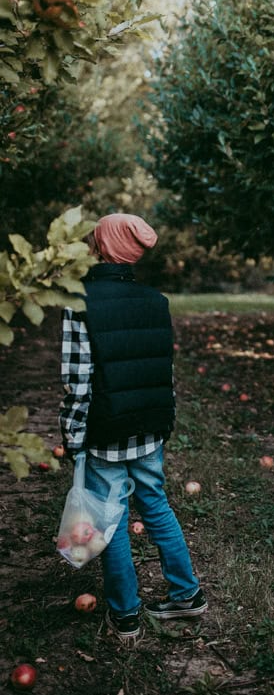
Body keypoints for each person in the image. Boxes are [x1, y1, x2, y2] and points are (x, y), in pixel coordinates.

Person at [59, 213, 207, 642]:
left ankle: (125, 615)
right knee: (156, 505)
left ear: (101, 246)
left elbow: (76, 381)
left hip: (106, 431)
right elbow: (165, 372)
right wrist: (166, 420)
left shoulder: (80, 302)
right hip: (148, 428)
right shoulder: (155, 301)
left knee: (110, 519)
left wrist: (73, 435)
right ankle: (187, 593)